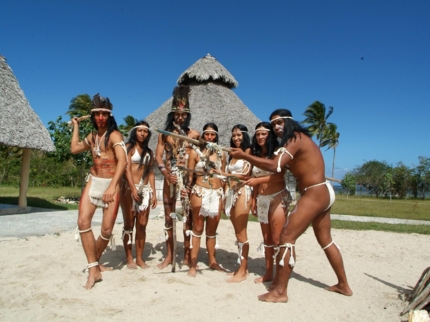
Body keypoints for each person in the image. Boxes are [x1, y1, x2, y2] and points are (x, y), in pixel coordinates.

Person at [229, 109, 353, 302]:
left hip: (315, 192)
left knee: (286, 237)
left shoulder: (295, 138)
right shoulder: (294, 141)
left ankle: (279, 292)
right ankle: (343, 285)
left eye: (279, 122)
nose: (276, 127)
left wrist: (245, 156)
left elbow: (274, 167)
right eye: (273, 124)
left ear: (289, 122)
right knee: (325, 240)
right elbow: (277, 167)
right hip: (323, 191)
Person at [71, 93, 127, 289]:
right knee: (82, 222)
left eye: (104, 114)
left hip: (111, 183)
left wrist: (112, 186)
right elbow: (75, 148)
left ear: (109, 116)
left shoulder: (115, 135)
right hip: (93, 181)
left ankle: (95, 263)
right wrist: (76, 127)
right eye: (98, 114)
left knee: (106, 230)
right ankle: (94, 268)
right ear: (94, 116)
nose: (101, 117)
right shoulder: (93, 136)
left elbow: (123, 161)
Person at [155, 85, 199, 269]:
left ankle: (188, 255)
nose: (180, 118)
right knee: (168, 216)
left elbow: (199, 158)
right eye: (177, 115)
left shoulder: (194, 134)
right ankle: (169, 255)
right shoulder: (164, 135)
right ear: (172, 115)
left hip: (187, 179)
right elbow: (158, 157)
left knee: (187, 217)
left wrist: (190, 181)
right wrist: (165, 174)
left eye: (183, 115)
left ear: (187, 116)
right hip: (169, 177)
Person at [246, 122, 292, 284]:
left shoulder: (278, 154)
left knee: (278, 238)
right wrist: (254, 199)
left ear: (269, 135)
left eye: (263, 134)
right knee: (266, 239)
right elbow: (255, 182)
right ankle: (268, 273)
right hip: (262, 199)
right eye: (258, 134)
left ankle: (281, 275)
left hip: (278, 196)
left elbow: (279, 176)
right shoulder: (257, 155)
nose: (260, 137)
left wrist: (257, 180)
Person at [183, 123, 227, 277]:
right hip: (199, 192)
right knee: (197, 229)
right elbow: (189, 178)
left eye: (212, 134)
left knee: (212, 231)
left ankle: (213, 262)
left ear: (216, 136)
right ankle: (193, 265)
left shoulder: (222, 154)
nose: (209, 137)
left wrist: (224, 196)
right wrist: (185, 191)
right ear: (203, 135)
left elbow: (224, 177)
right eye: (207, 134)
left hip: (216, 193)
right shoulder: (195, 153)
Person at [119, 120, 157, 269]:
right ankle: (129, 258)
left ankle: (140, 258)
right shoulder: (128, 148)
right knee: (129, 224)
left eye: (145, 131)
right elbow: (126, 168)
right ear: (135, 132)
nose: (142, 133)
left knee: (142, 225)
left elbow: (151, 173)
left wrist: (153, 193)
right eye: (140, 130)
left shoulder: (149, 152)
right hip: (128, 190)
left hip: (145, 190)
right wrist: (132, 188)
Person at [222, 124, 252, 283]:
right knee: (237, 232)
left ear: (245, 136)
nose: (237, 138)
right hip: (231, 193)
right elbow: (228, 179)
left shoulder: (248, 152)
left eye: (239, 135)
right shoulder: (232, 155)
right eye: (234, 135)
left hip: (242, 192)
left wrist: (223, 174)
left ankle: (243, 270)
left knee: (242, 232)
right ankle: (242, 266)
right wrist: (224, 196)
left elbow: (245, 175)